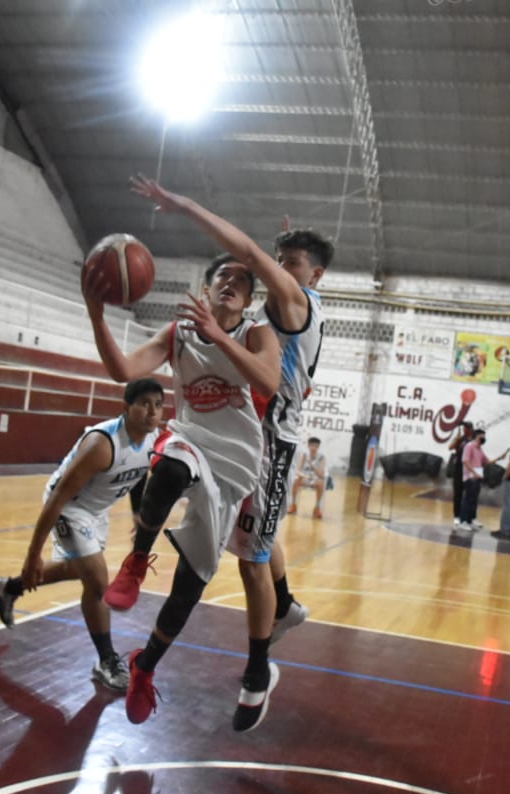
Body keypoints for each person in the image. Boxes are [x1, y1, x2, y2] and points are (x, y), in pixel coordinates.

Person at [126, 176, 333, 652]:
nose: (279, 269)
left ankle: (261, 658)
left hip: (273, 438)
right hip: (244, 433)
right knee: (246, 535)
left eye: (291, 264)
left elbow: (244, 250)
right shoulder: (276, 308)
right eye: (278, 262)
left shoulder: (297, 303)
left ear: (315, 276)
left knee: (250, 557)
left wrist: (184, 204)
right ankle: (282, 603)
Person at [84, 248, 281, 732]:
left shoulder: (256, 332)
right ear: (207, 287)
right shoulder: (179, 334)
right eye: (223, 276)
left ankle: (144, 666)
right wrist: (96, 313)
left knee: (190, 587)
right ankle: (135, 561)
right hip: (192, 436)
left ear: (249, 299)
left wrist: (220, 337)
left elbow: (269, 379)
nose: (231, 283)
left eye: (241, 280)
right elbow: (124, 370)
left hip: (237, 461)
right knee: (169, 469)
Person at [0, 378, 165, 690]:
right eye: (144, 404)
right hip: (70, 506)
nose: (152, 412)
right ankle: (105, 661)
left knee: (75, 569)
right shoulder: (102, 445)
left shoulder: (152, 439)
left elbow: (137, 473)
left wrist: (138, 512)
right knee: (97, 582)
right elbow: (57, 499)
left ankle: (8, 588)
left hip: (97, 510)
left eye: (159, 405)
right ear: (126, 407)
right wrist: (33, 557)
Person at [288, 437, 328, 518]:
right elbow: (298, 470)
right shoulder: (305, 455)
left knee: (321, 483)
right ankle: (293, 505)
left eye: (316, 446)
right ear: (308, 446)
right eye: (312, 445)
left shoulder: (322, 457)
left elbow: (321, 475)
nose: (313, 448)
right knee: (296, 481)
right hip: (305, 478)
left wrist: (312, 464)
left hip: (316, 479)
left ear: (318, 447)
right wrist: (305, 476)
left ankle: (317, 508)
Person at [457, 428, 488, 531]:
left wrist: (499, 458)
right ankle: (463, 521)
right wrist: (474, 472)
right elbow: (465, 460)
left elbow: (485, 460)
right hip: (470, 477)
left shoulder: (479, 448)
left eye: (484, 436)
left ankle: (471, 519)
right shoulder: (469, 446)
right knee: (468, 499)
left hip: (478, 477)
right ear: (476, 436)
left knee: (474, 499)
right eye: (481, 436)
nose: (483, 438)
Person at [448, 421, 474, 528]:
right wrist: (457, 439)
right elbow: (450, 447)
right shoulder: (460, 439)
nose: (465, 430)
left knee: (468, 496)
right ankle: (457, 516)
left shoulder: (473, 441)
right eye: (464, 428)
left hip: (468, 472)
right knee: (457, 495)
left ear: (471, 429)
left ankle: (467, 517)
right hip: (458, 471)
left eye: (467, 428)